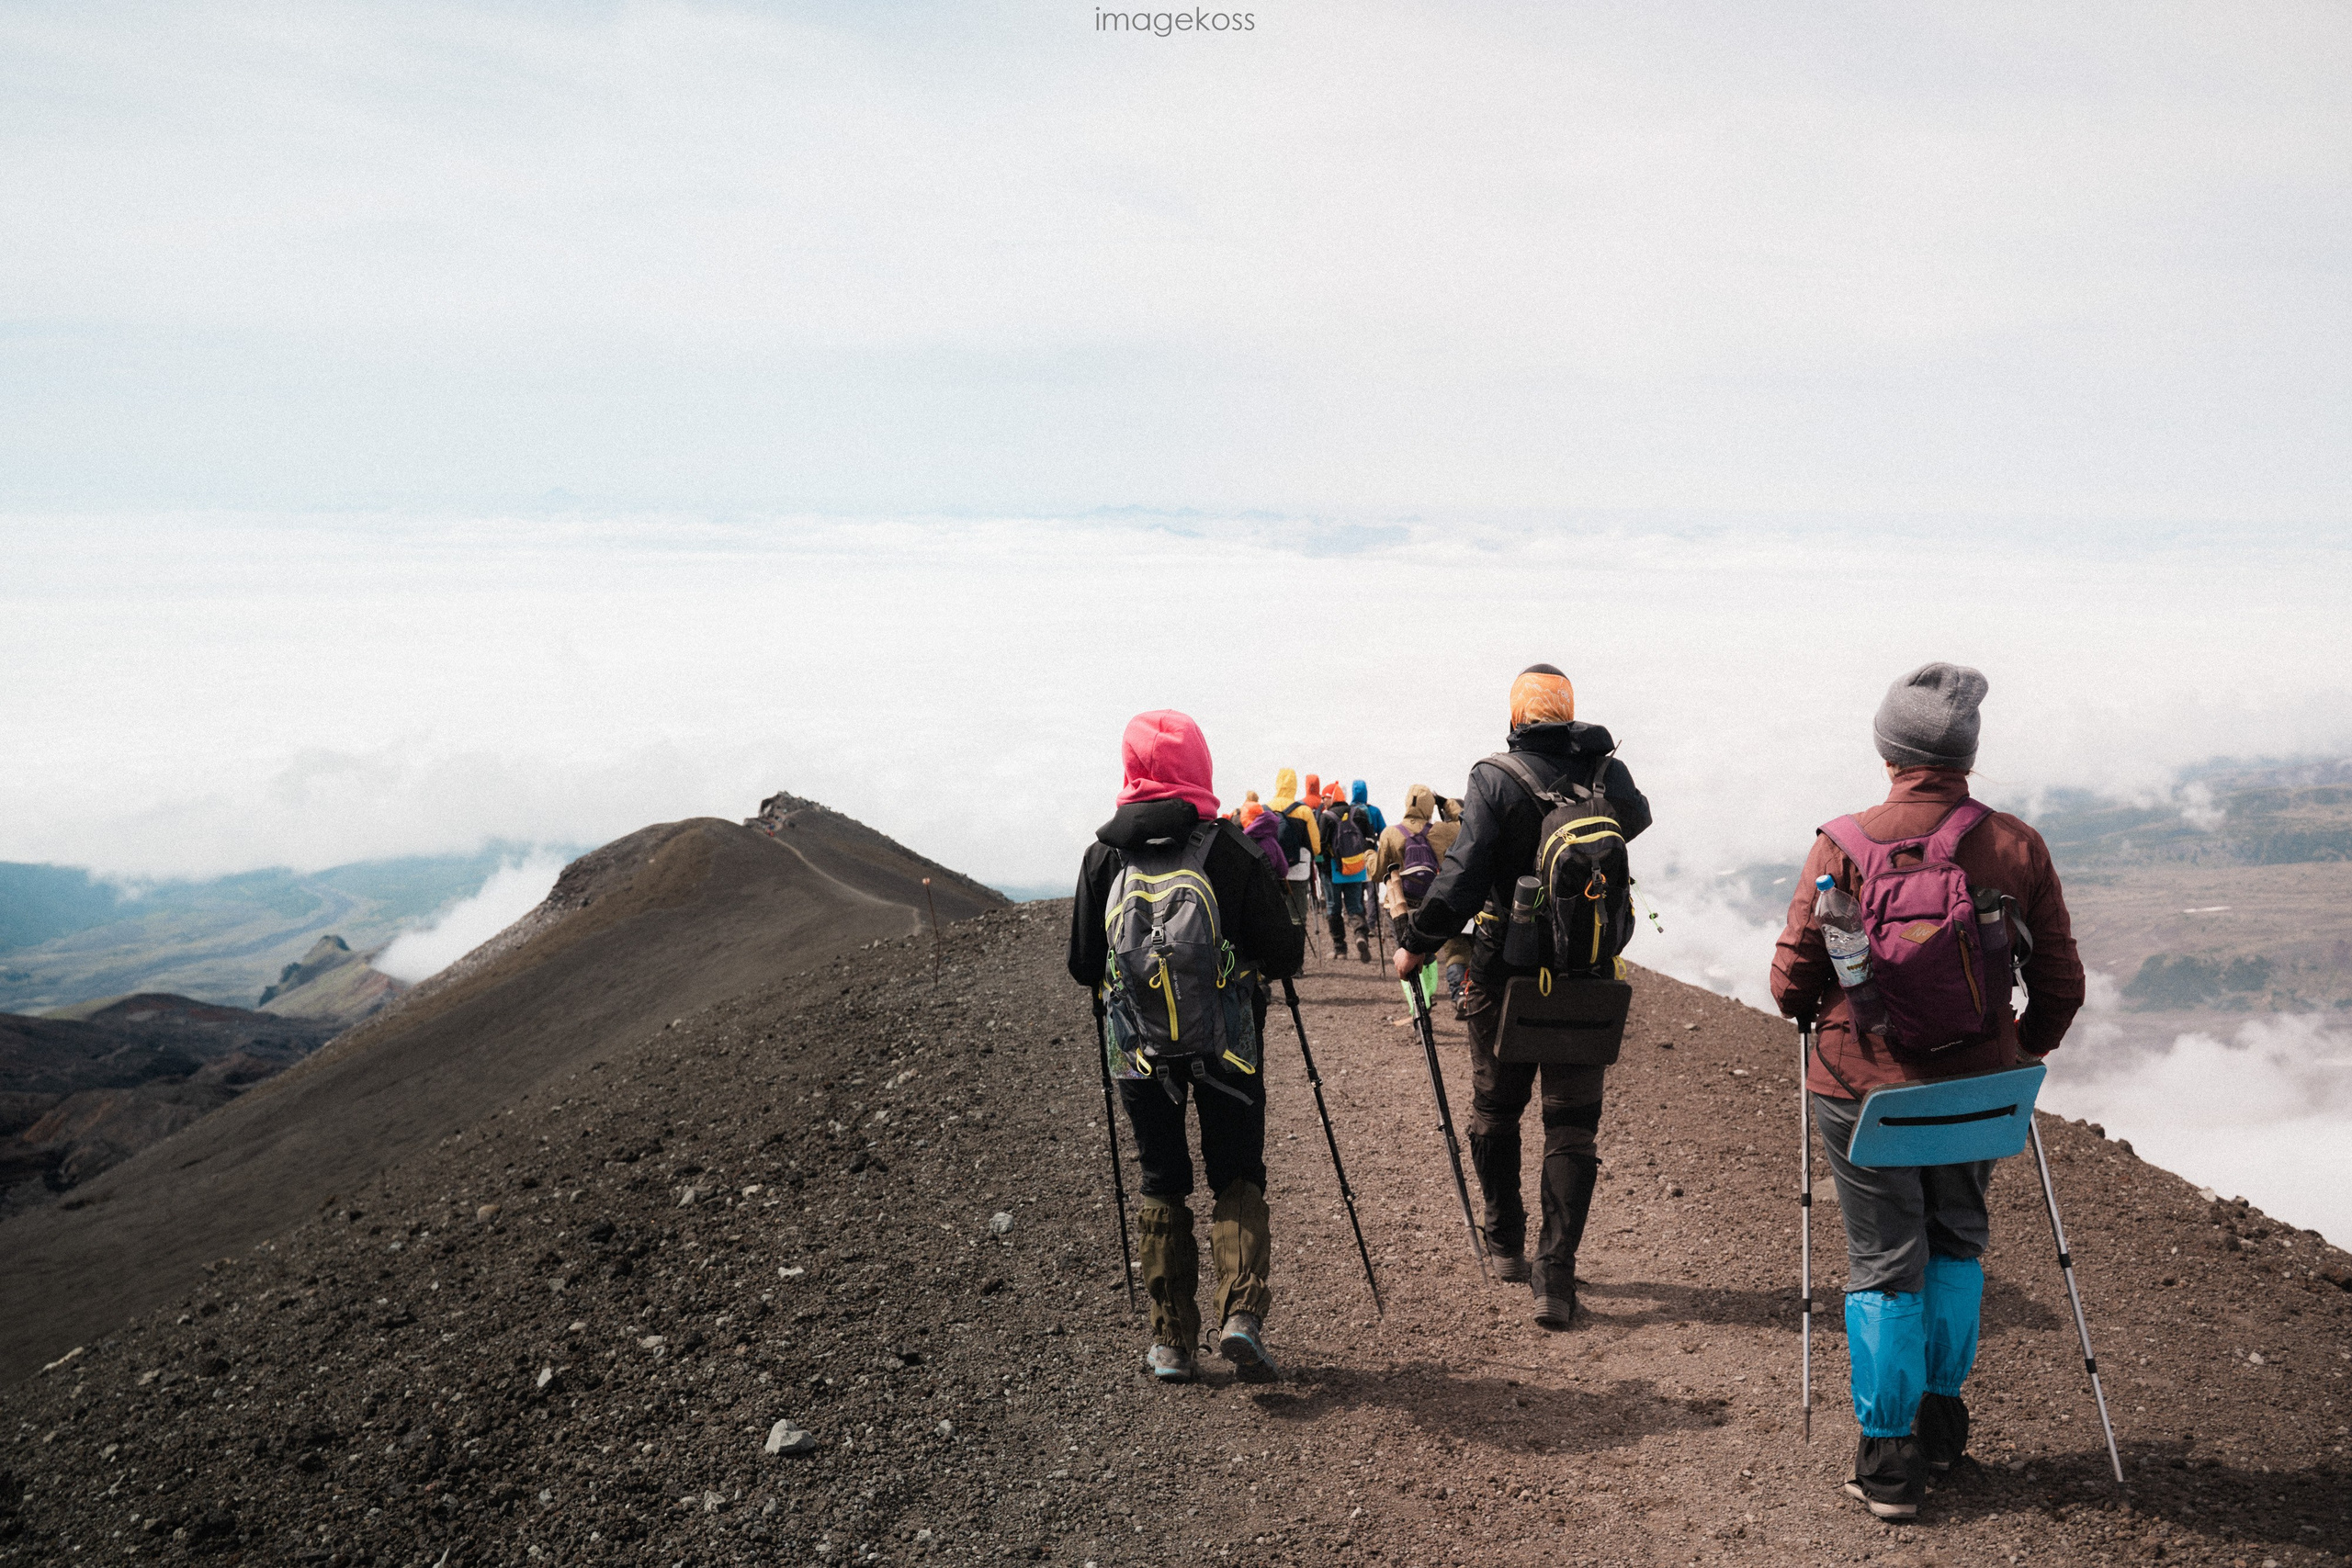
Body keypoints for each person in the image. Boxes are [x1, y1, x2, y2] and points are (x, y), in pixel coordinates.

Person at [1769, 662, 2083, 1521]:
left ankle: (1889, 1462)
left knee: (1883, 1261)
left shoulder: (1843, 841)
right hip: (1980, 1094)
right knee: (1956, 1240)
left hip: (1862, 1089)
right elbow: (2059, 983)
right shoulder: (2017, 844)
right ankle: (1942, 1428)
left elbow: (1791, 980)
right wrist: (2016, 1049)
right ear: (1965, 754)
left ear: (1889, 750)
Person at [1391, 664, 1652, 1329]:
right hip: (1588, 974)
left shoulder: (1495, 777)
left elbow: (1462, 874)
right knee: (1572, 1126)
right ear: (1568, 710)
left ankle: (1505, 1242)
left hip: (1505, 971)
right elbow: (1638, 819)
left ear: (1516, 716)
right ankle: (1555, 1278)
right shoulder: (1605, 773)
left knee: (1495, 1110)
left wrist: (1417, 942)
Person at [1069, 712, 1307, 1384]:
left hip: (1139, 1054)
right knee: (1236, 1170)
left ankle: (1172, 1341)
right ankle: (1240, 1317)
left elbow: (1084, 965)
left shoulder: (1103, 857)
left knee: (1161, 1176)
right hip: (1228, 1045)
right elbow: (1286, 951)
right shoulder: (1228, 850)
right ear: (1198, 765)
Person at [1367, 784, 1472, 1005]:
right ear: (1430, 806)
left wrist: (1368, 854)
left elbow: (1377, 873)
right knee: (1429, 954)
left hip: (1399, 906)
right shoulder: (1445, 831)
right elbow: (1467, 820)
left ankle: (1419, 1006)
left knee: (1406, 955)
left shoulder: (1390, 833)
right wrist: (1447, 804)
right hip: (1432, 902)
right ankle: (1430, 993)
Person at [1319, 781, 1378, 963]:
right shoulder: (1359, 813)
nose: (1323, 801)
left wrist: (1322, 869)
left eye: (1325, 798)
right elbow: (1370, 840)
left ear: (1332, 798)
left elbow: (1320, 846)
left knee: (1334, 908)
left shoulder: (1326, 816)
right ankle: (1361, 935)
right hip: (1356, 868)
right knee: (1355, 907)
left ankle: (1340, 949)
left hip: (1333, 870)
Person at [1266, 770, 1320, 931]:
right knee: (1297, 917)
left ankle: (1280, 952)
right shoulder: (1304, 811)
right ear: (1295, 786)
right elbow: (1316, 848)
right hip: (1298, 870)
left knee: (1275, 915)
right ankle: (1297, 951)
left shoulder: (1265, 809)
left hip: (1273, 870)